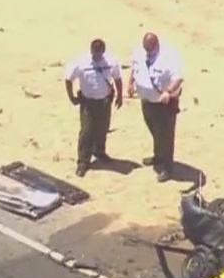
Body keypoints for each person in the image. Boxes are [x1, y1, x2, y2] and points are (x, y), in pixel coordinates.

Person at [129, 32, 184, 182]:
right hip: (147, 101)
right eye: (146, 49)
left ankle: (167, 167)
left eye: (150, 49)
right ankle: (158, 156)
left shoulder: (169, 57)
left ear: (157, 45)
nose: (148, 52)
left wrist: (168, 91)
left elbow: (178, 78)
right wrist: (131, 83)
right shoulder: (140, 52)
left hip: (164, 105)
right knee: (153, 129)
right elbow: (135, 67)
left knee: (165, 135)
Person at [63, 38, 124, 177]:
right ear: (91, 50)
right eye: (94, 52)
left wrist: (120, 95)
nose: (97, 55)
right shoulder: (81, 62)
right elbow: (68, 79)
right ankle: (83, 161)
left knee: (103, 128)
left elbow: (117, 78)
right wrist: (71, 97)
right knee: (87, 131)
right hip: (88, 103)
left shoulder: (110, 61)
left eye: (99, 53)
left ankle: (100, 152)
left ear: (103, 51)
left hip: (104, 102)